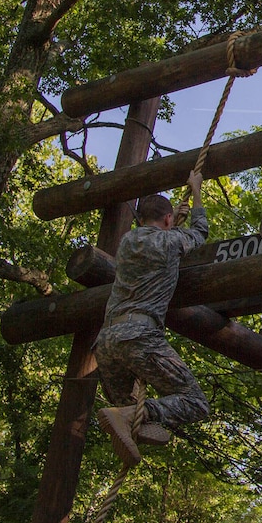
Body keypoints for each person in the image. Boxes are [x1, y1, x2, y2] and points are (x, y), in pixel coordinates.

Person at [94, 171, 211, 467]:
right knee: (196, 402)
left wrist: (174, 219)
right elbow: (200, 233)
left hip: (106, 342)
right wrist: (196, 193)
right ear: (169, 220)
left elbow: (160, 235)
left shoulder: (126, 242)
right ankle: (132, 417)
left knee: (130, 405)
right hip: (139, 336)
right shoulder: (170, 242)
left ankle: (132, 420)